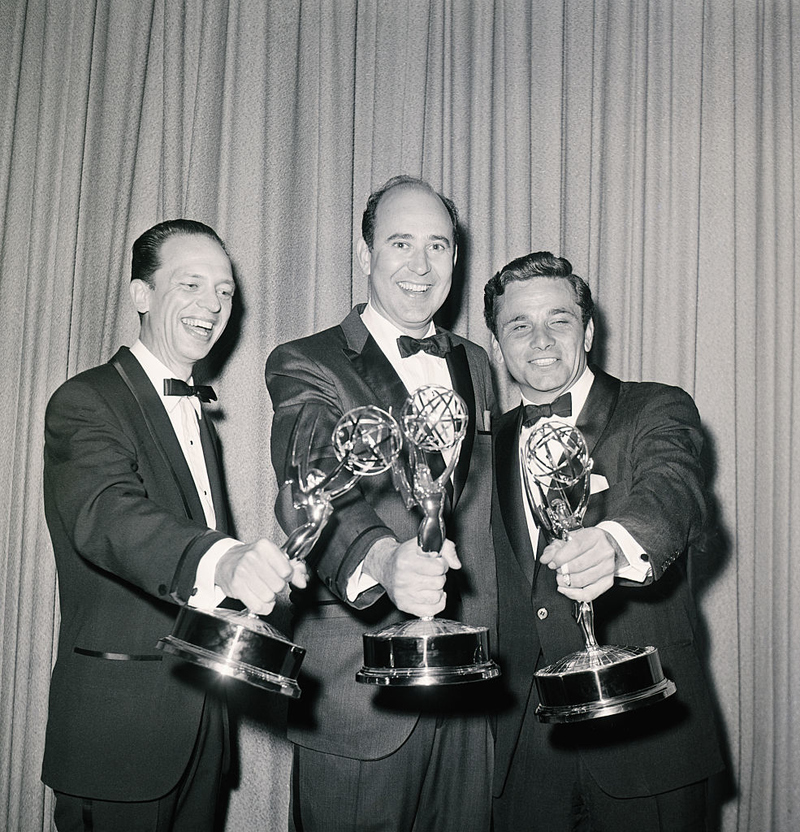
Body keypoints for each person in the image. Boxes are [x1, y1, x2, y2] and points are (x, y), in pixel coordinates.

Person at [42, 219, 306, 832]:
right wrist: (226, 560)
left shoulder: (197, 417)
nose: (212, 305)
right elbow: (106, 514)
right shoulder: (87, 400)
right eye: (191, 284)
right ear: (141, 295)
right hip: (118, 739)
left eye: (225, 290)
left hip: (203, 734)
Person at [265, 176, 498, 832]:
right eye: (401, 243)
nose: (421, 266)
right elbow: (305, 482)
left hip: (468, 693)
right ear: (365, 255)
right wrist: (384, 558)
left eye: (438, 246)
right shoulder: (306, 360)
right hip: (359, 695)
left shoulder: (477, 364)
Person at [484, 251, 725, 831]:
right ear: (496, 345)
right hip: (522, 755)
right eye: (518, 325)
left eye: (559, 320)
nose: (539, 339)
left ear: (588, 331)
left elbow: (675, 489)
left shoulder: (656, 406)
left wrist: (616, 544)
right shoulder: (481, 448)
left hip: (649, 743)